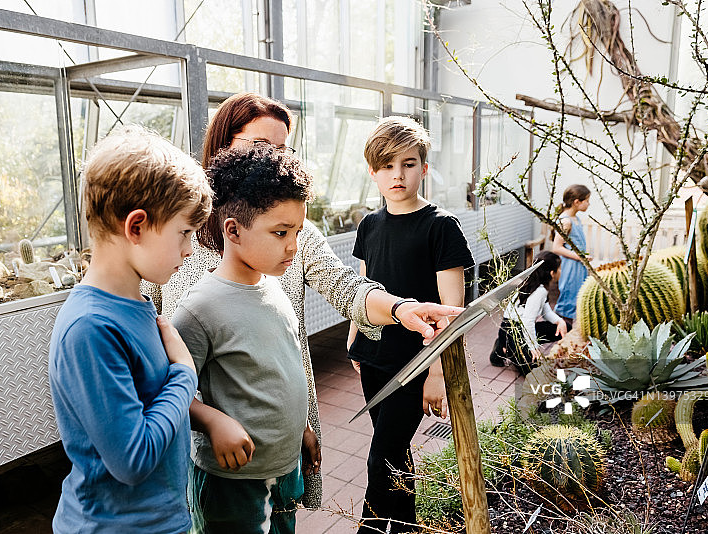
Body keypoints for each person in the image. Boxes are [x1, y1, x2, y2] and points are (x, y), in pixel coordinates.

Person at [145, 92, 466, 507]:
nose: (273, 161)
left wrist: (399, 308)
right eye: (261, 147)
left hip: (281, 436)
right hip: (204, 444)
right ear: (223, 146)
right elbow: (150, 333)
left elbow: (345, 285)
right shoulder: (177, 235)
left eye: (282, 150)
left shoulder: (293, 234)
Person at [48, 125, 212, 533]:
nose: (189, 250)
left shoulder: (137, 302)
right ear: (136, 227)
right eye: (184, 233)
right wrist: (184, 375)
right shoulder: (90, 328)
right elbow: (133, 460)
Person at [172, 145, 317, 533]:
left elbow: (281, 368)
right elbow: (167, 391)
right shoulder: (200, 309)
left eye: (297, 231)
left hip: (285, 469)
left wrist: (301, 428)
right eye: (280, 232)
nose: (293, 245)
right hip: (233, 484)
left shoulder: (273, 287)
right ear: (233, 230)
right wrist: (212, 423)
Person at [347, 116, 474, 534]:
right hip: (373, 356)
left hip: (415, 363)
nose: (397, 175)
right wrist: (354, 339)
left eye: (408, 164)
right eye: (386, 166)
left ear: (424, 167)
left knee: (381, 457)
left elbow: (452, 310)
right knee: (396, 456)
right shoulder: (369, 224)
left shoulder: (441, 226)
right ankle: (406, 527)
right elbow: (364, 286)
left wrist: (436, 372)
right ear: (373, 171)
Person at [489, 250, 568, 375]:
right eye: (559, 268)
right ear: (552, 273)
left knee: (566, 327)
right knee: (534, 371)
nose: (561, 271)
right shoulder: (539, 290)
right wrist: (533, 347)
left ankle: (508, 346)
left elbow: (546, 311)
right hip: (513, 330)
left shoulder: (535, 284)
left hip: (519, 328)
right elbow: (528, 321)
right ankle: (503, 348)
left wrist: (560, 321)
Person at [553, 184, 591, 326]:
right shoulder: (566, 221)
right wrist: (580, 257)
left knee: (577, 298)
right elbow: (556, 248)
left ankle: (569, 332)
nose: (588, 204)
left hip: (579, 266)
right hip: (570, 267)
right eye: (587, 200)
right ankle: (561, 331)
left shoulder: (575, 218)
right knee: (568, 299)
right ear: (576, 202)